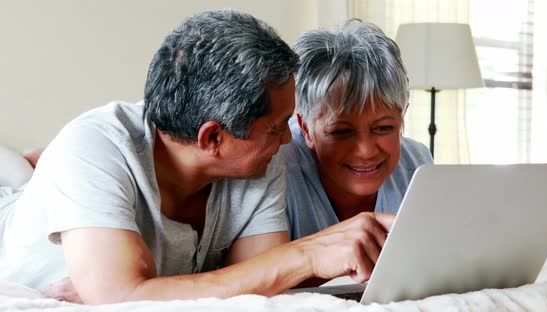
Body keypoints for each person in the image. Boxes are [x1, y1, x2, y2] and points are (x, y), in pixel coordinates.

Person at [0, 10, 394, 304]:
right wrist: (306, 253)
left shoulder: (259, 160)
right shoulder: (93, 146)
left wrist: (135, 290)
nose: (286, 141)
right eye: (276, 127)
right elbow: (122, 298)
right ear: (212, 138)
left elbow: (262, 284)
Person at [281, 20, 433, 241]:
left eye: (383, 128)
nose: (366, 151)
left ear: (402, 116)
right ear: (306, 128)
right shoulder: (278, 170)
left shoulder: (416, 164)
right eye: (341, 132)